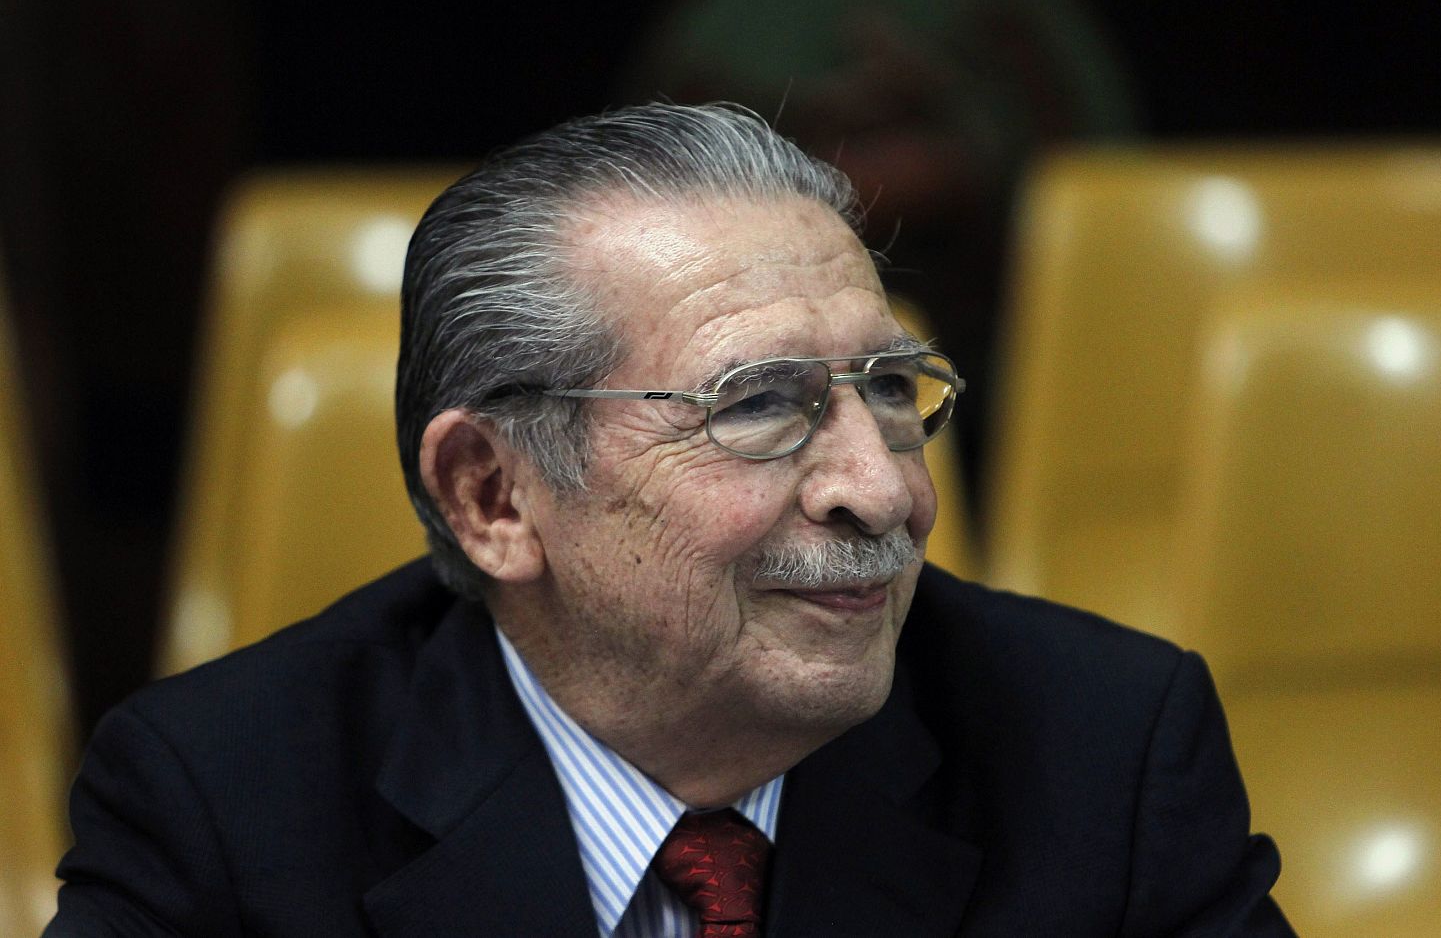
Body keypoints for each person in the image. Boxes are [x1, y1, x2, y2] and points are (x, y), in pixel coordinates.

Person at [48, 104, 1293, 936]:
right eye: (760, 403)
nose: (886, 488)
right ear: (493, 494)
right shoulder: (226, 803)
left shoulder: (1102, 750)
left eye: (890, 388)